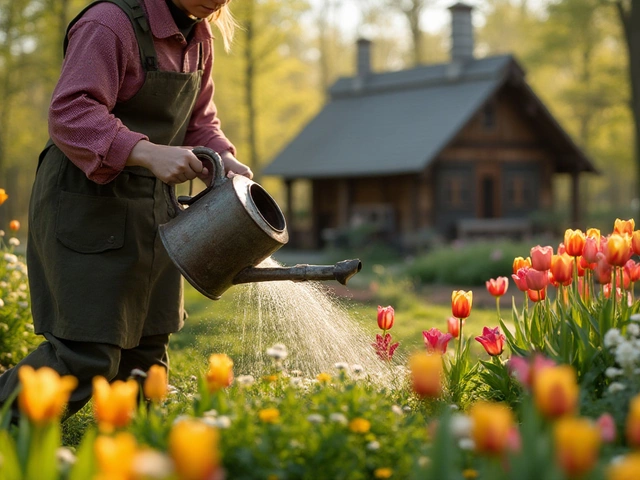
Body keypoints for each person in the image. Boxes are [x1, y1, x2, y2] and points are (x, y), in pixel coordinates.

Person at [0, 0, 251, 419]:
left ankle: (129, 459)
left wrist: (223, 161)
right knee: (85, 353)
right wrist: (147, 152)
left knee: (146, 357)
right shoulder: (109, 23)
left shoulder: (199, 37)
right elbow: (70, 112)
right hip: (86, 207)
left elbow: (200, 120)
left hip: (154, 211)